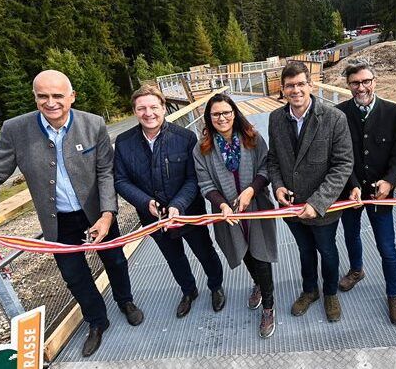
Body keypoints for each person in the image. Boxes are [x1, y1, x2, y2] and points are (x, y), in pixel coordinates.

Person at [0, 70, 143, 357]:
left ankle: (126, 302)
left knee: (116, 261)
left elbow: (105, 172)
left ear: (71, 97)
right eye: (42, 96)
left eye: (58, 95)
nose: (51, 102)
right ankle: (97, 321)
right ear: (35, 98)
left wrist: (108, 214)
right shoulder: (15, 131)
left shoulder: (92, 124)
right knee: (74, 276)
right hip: (58, 220)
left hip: (96, 213)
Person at [114, 84, 225, 319]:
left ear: (163, 108)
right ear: (134, 111)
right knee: (173, 257)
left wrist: (178, 205)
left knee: (204, 252)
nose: (149, 113)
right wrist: (146, 203)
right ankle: (189, 291)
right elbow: (121, 180)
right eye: (142, 108)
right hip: (152, 217)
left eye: (154, 106)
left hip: (187, 212)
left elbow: (193, 178)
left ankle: (216, 286)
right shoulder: (124, 143)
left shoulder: (185, 137)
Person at [267, 61, 353, 322]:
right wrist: (278, 186)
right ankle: (309, 290)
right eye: (290, 85)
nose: (296, 90)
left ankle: (329, 293)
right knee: (304, 251)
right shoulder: (276, 119)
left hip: (322, 208)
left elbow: (343, 164)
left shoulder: (334, 118)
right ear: (282, 89)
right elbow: (273, 160)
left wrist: (318, 203)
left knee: (327, 251)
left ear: (310, 84)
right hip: (292, 207)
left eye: (300, 84)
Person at [192, 94, 278, 338]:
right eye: (216, 114)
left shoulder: (252, 137)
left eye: (226, 112)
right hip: (227, 211)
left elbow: (265, 167)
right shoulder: (202, 148)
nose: (222, 118)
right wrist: (222, 205)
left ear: (234, 113)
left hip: (256, 205)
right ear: (209, 118)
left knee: (260, 253)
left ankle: (269, 307)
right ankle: (259, 284)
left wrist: (251, 190)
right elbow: (205, 182)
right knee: (244, 251)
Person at [336, 59, 396, 324]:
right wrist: (352, 184)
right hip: (349, 191)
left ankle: (394, 294)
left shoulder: (393, 112)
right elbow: (340, 156)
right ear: (348, 85)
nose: (361, 87)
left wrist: (389, 182)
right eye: (355, 82)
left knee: (387, 246)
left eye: (366, 81)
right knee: (351, 235)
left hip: (381, 192)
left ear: (375, 81)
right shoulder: (339, 113)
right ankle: (356, 270)